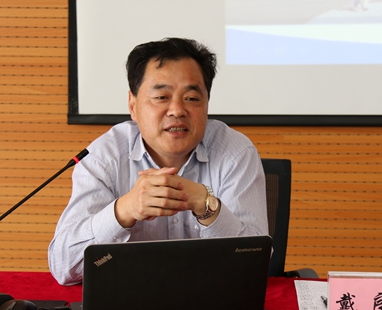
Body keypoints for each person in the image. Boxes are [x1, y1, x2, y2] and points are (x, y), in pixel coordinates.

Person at [48, 37, 268, 285]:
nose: (177, 110)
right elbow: (64, 268)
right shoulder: (103, 158)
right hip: (128, 299)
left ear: (207, 103)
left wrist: (206, 205)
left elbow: (256, 265)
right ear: (133, 105)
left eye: (192, 98)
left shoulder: (235, 153)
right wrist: (124, 210)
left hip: (211, 298)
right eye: (162, 97)